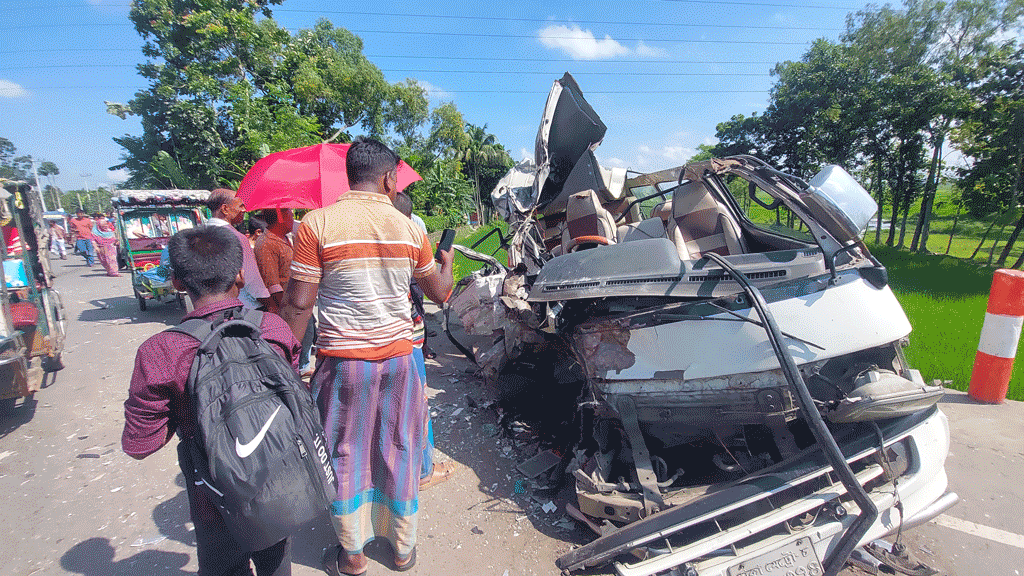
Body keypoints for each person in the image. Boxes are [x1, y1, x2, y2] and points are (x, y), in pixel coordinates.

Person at [279, 138, 454, 576]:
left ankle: (353, 556)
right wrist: (446, 261)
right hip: (400, 358)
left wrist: (283, 362)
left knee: (345, 450)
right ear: (390, 178)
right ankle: (401, 551)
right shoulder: (410, 228)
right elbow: (441, 293)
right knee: (400, 445)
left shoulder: (315, 224)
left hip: (343, 363)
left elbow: (299, 304)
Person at [122, 225, 300, 576]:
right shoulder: (274, 329)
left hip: (213, 492)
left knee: (223, 565)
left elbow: (140, 444)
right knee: (277, 561)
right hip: (275, 476)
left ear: (177, 282)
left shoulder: (160, 352)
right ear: (239, 274)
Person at [391, 192, 457, 491]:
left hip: (367, 342)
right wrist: (448, 263)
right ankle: (423, 471)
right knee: (417, 404)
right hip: (406, 339)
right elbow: (440, 292)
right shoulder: (409, 240)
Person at [206, 188, 271, 311]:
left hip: (215, 306)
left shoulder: (200, 234)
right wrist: (269, 302)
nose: (244, 210)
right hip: (246, 306)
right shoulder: (236, 237)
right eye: (240, 206)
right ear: (225, 209)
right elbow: (251, 279)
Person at [253, 209, 293, 314]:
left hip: (294, 303)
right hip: (284, 309)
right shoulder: (266, 243)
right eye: (291, 216)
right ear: (281, 218)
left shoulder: (285, 238)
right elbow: (272, 285)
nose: (293, 220)